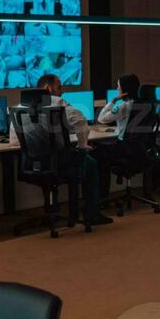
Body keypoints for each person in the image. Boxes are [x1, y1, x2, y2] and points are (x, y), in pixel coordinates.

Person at [35, 74, 113, 227]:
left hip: (35, 163)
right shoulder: (58, 102)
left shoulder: (26, 104)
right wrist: (83, 147)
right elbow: (80, 121)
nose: (62, 91)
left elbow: (15, 136)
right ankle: (92, 214)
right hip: (59, 160)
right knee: (90, 163)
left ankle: (53, 210)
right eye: (59, 87)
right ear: (47, 88)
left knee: (54, 164)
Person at [98, 73, 142, 138]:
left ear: (124, 88)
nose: (117, 88)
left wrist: (113, 101)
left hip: (124, 145)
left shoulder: (124, 107)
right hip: (140, 144)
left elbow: (101, 118)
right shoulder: (145, 104)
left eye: (118, 86)